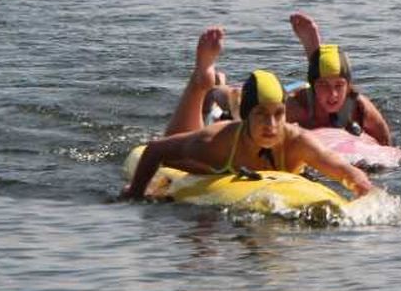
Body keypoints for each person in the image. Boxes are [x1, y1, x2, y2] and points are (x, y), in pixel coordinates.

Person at [122, 26, 375, 200]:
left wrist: (367, 194)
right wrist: (135, 193)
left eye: (278, 114)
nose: (271, 124)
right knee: (179, 138)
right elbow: (155, 149)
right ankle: (200, 83)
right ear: (246, 117)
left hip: (268, 171)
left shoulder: (298, 142)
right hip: (213, 164)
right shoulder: (216, 142)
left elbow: (343, 170)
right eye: (261, 114)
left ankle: (214, 86)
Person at [282, 12, 395, 144]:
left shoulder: (359, 108)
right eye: (324, 85)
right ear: (313, 86)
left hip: (338, 111)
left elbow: (386, 142)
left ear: (348, 87)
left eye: (339, 86)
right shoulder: (297, 107)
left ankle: (316, 60)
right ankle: (314, 56)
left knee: (341, 113)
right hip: (297, 90)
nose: (333, 94)